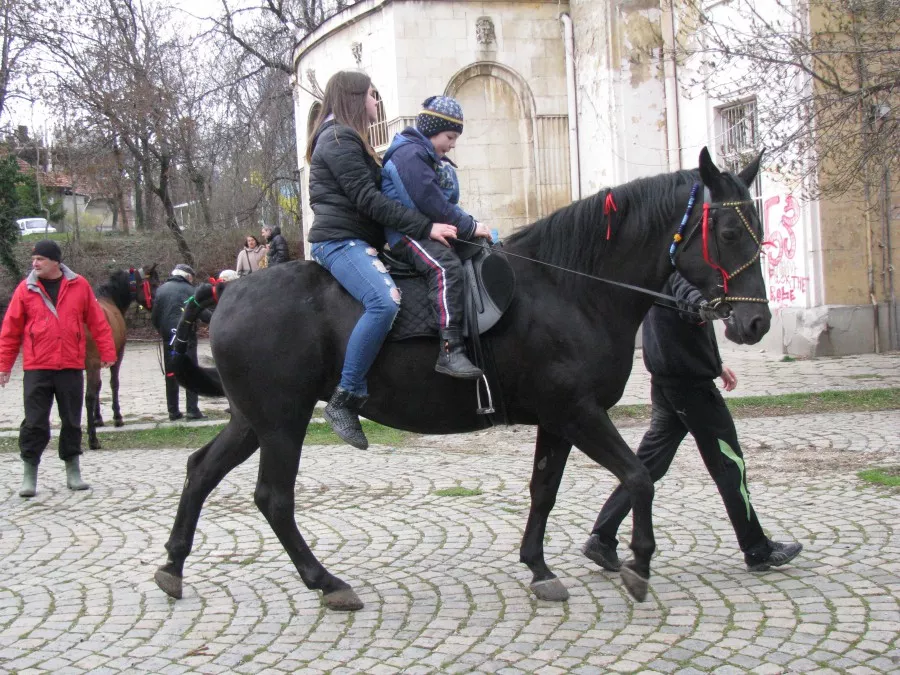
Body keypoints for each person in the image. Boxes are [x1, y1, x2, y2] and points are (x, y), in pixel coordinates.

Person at [582, 272, 803, 573]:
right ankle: (756, 548)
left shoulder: (662, 260)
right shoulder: (676, 264)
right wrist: (709, 307)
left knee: (647, 465)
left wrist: (716, 363)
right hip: (690, 386)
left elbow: (686, 321)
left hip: (668, 379)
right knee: (729, 463)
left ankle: (602, 537)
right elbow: (689, 301)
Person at [306, 70, 454, 450]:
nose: (377, 103)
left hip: (359, 238)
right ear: (356, 98)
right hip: (339, 242)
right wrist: (425, 225)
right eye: (373, 95)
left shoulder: (348, 138)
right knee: (383, 301)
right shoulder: (338, 139)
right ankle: (346, 397)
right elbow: (369, 201)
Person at [381, 95, 491, 379]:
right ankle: (450, 349)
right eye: (450, 136)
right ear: (432, 129)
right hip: (407, 234)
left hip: (428, 227)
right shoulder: (409, 155)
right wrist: (467, 227)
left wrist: (473, 225)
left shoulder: (426, 155)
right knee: (446, 267)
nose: (453, 144)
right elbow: (429, 202)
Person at [0, 240, 117, 497]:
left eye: (40, 259)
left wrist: (107, 352)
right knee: (35, 423)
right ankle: (29, 473)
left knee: (72, 421)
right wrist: (4, 366)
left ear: (55, 261)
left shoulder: (79, 285)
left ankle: (72, 470)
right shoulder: (25, 289)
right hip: (37, 367)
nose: (35, 263)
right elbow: (10, 330)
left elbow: (97, 321)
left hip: (71, 366)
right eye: (34, 259)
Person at [151, 264, 208, 422]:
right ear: (188, 276)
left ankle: (173, 411)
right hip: (186, 336)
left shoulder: (161, 290)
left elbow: (155, 317)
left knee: (171, 373)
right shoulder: (191, 290)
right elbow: (202, 313)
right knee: (190, 372)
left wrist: (163, 331)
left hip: (169, 337)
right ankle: (192, 410)